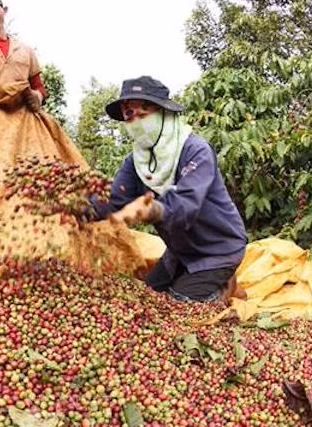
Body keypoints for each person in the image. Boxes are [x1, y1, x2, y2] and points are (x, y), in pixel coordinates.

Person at [89, 76, 248, 303]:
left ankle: (223, 287)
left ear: (165, 114)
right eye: (129, 117)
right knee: (149, 294)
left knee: (176, 304)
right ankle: (202, 279)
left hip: (217, 249)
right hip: (181, 250)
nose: (136, 123)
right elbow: (115, 199)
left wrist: (152, 210)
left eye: (143, 116)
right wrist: (80, 208)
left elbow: (186, 205)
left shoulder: (195, 150)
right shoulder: (137, 161)